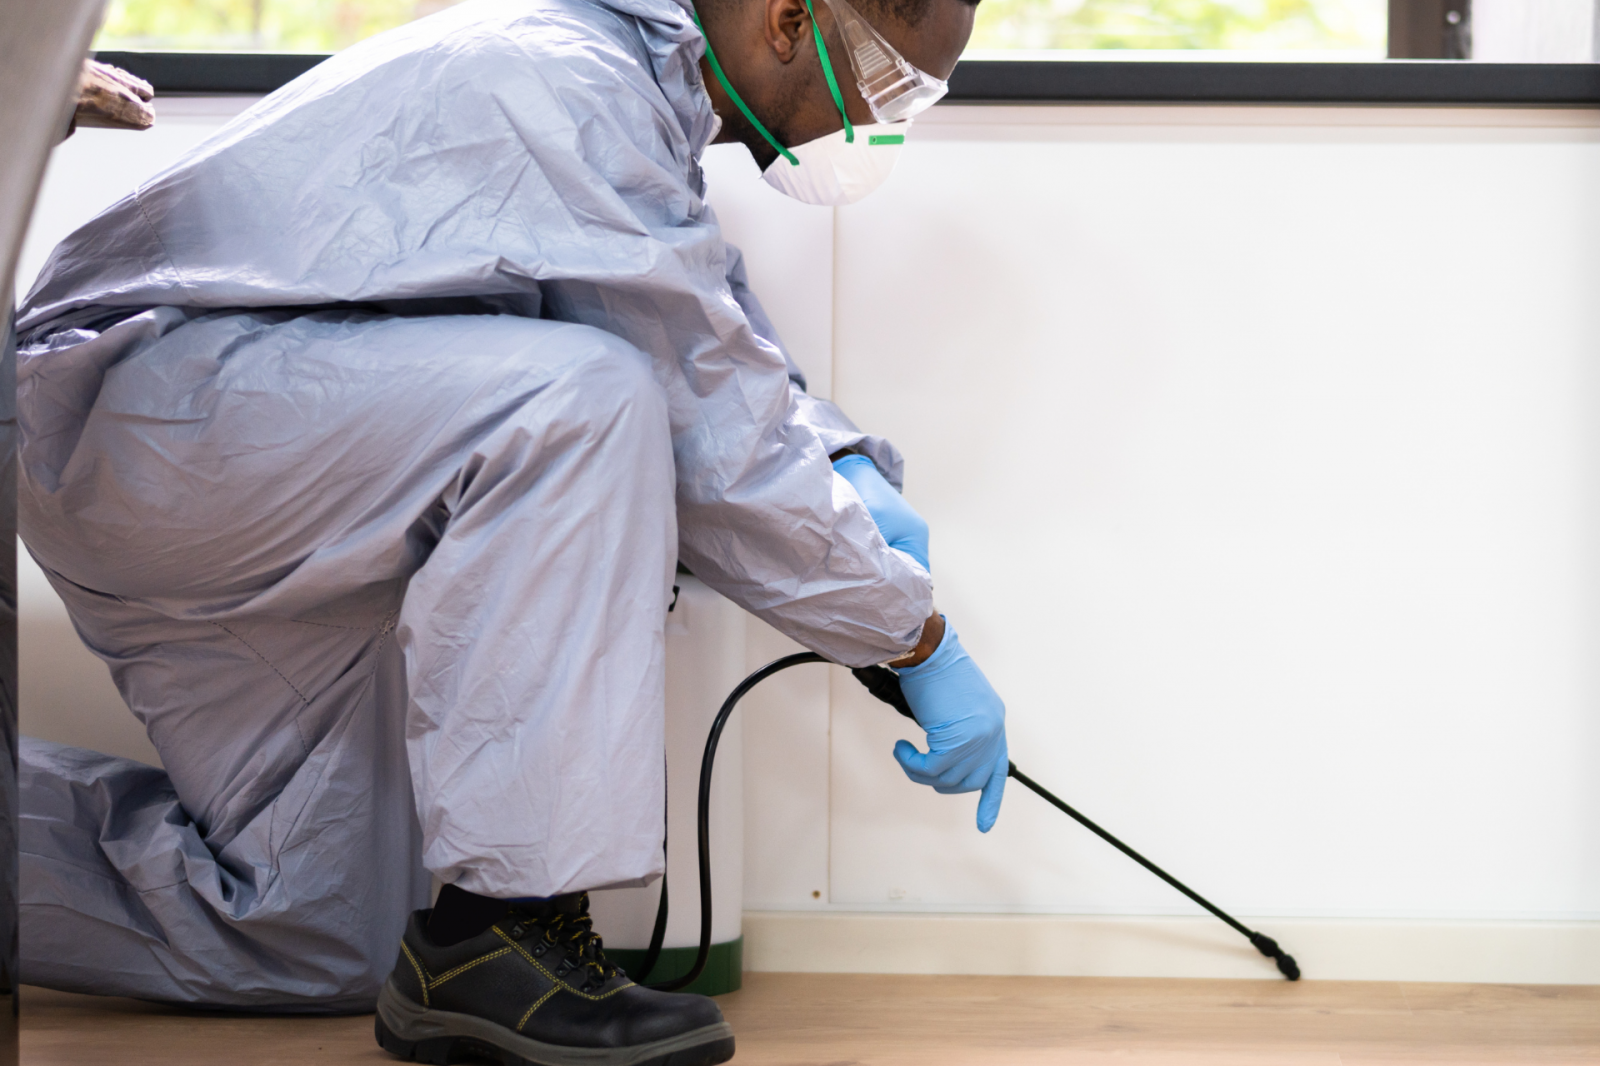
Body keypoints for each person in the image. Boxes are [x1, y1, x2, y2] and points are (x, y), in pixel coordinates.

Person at [14, 0, 1007, 1059]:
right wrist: (914, 640)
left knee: (321, 924)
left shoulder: (633, 101)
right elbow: (708, 429)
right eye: (889, 81)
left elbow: (706, 332)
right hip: (148, 415)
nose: (882, 121)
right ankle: (504, 931)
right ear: (787, 19)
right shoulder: (576, 83)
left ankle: (452, 950)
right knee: (583, 402)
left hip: (249, 464)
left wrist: (843, 463)